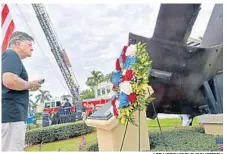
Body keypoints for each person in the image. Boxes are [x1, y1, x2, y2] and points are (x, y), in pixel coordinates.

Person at [2, 31, 42, 151]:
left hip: (9, 114)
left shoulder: (7, 57)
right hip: (12, 115)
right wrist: (29, 84)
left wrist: (28, 85)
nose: (32, 48)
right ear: (18, 44)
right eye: (29, 44)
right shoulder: (11, 54)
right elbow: (9, 80)